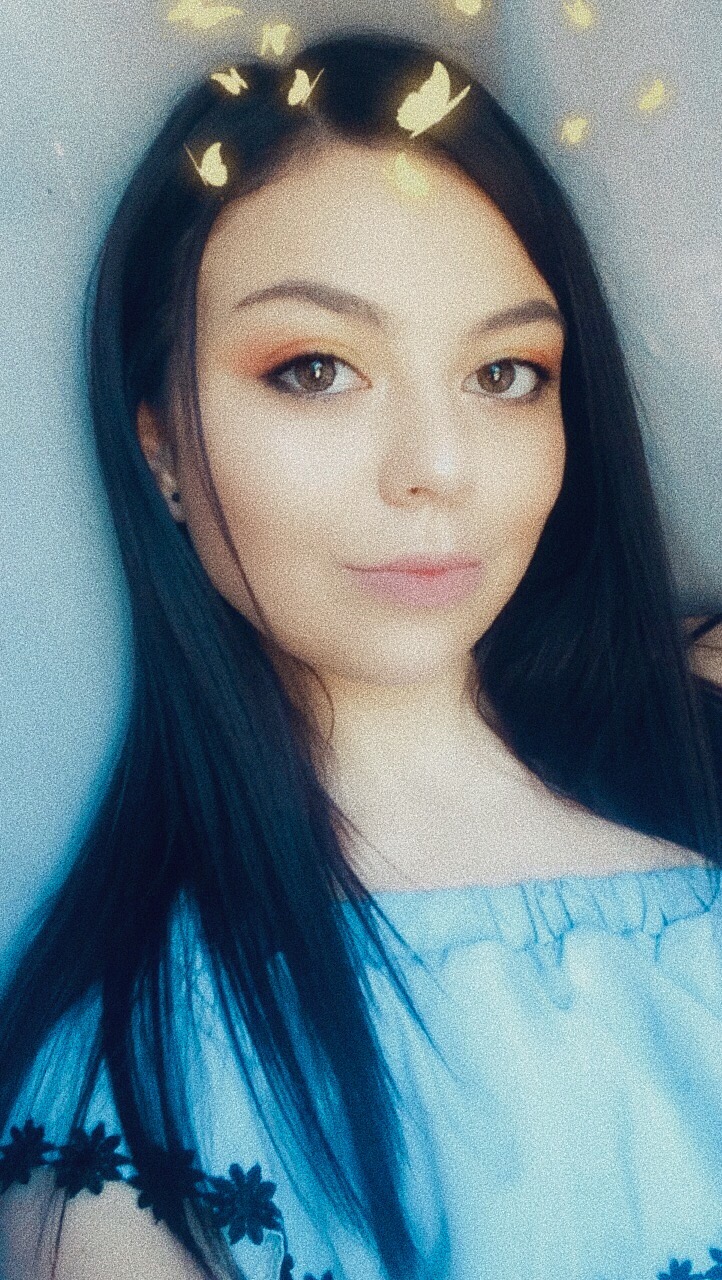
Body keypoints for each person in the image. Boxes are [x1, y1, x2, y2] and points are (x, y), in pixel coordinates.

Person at [0, 26, 721, 1280]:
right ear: (160, 446)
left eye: (504, 372)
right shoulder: (131, 1105)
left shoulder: (690, 739)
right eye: (315, 368)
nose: (436, 465)